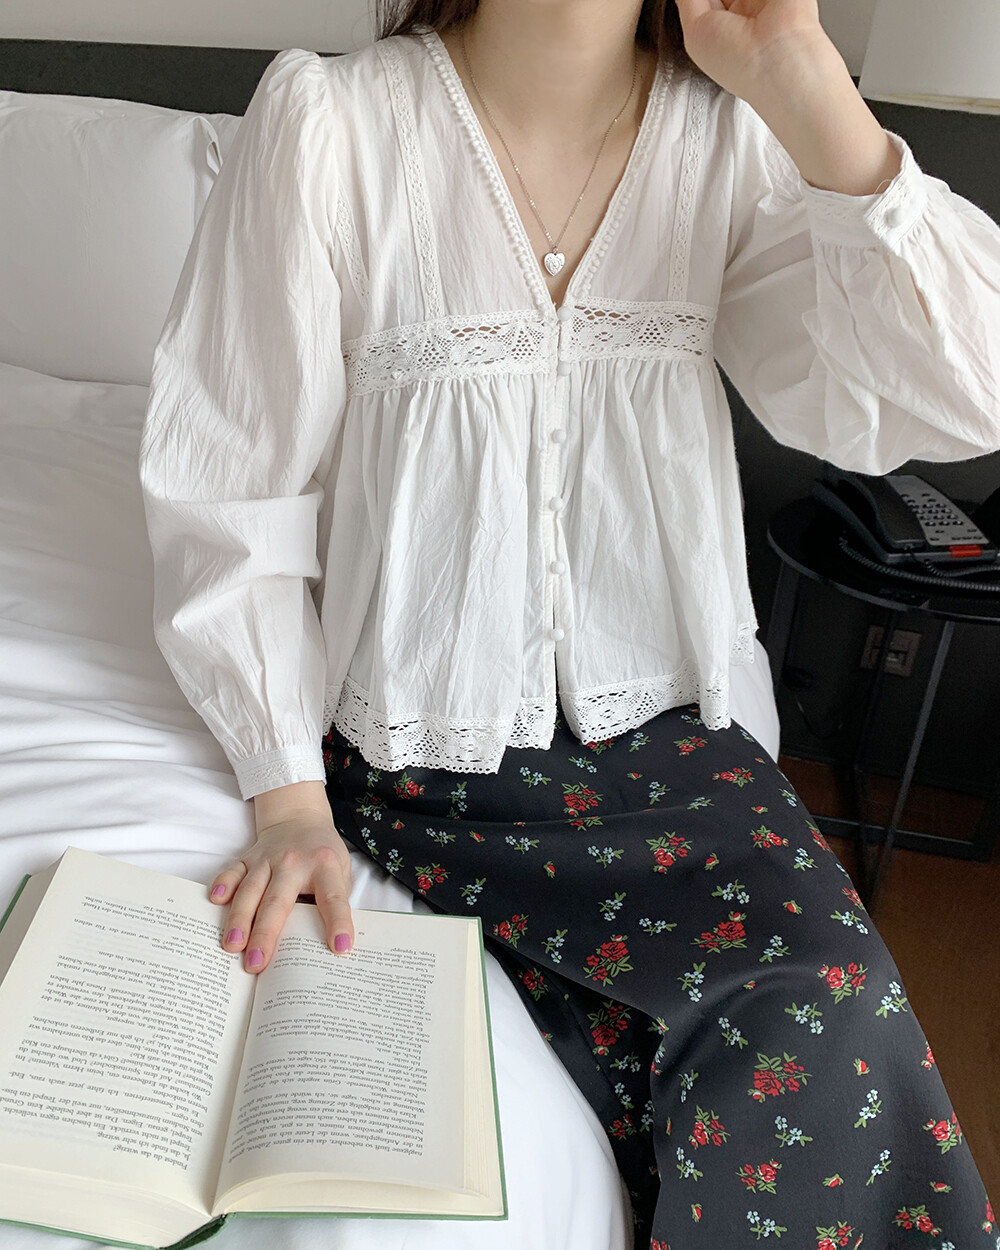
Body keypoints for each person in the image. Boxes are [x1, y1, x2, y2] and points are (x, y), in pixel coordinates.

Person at [139, 0, 1000, 1244]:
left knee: (827, 999)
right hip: (423, 753)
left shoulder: (731, 140)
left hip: (677, 746)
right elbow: (231, 485)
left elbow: (960, 394)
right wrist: (284, 799)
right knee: (645, 1081)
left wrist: (807, 84)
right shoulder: (331, 126)